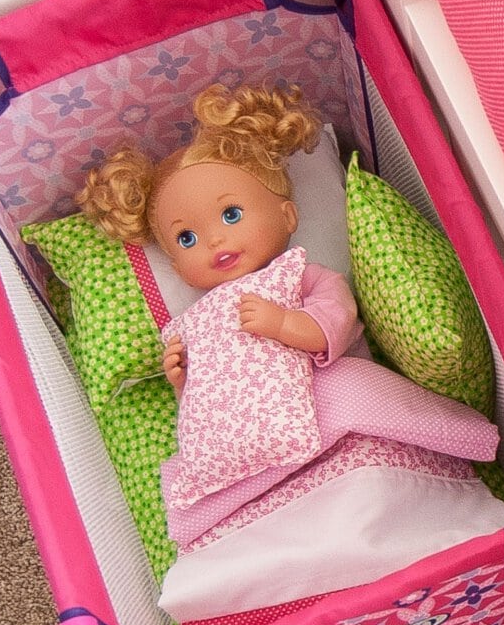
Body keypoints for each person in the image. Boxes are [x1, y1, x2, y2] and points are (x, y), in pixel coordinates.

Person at [76, 81, 363, 400]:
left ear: (287, 216)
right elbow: (214, 400)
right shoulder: (202, 319)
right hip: (253, 430)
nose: (213, 240)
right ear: (179, 269)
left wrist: (283, 323)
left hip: (326, 398)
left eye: (231, 215)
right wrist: (184, 378)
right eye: (187, 238)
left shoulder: (306, 279)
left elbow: (338, 322)